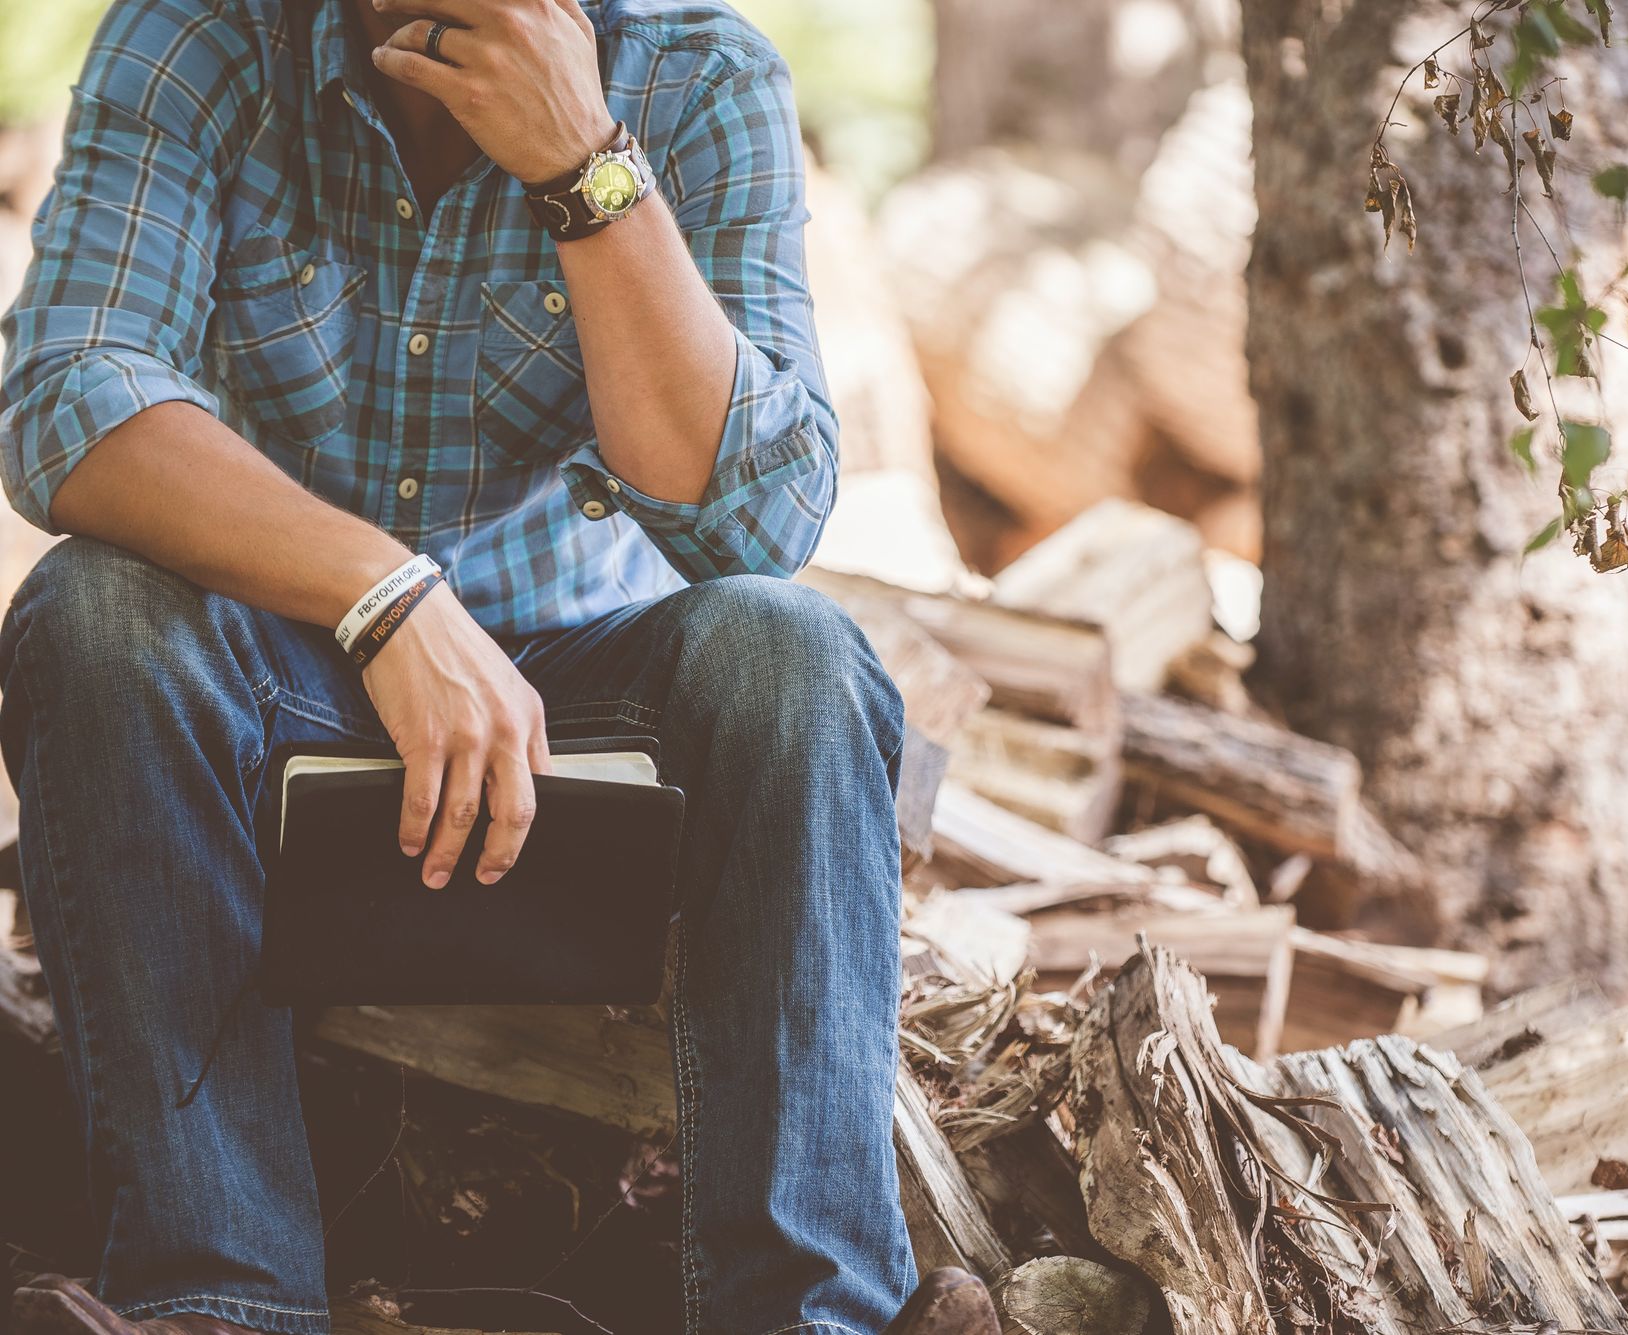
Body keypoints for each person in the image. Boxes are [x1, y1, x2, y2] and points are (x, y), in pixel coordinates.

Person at [0, 0, 997, 1332]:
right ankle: (221, 1300)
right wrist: (386, 597)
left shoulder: (702, 72)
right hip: (269, 699)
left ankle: (811, 1315)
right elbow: (69, 395)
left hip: (581, 729)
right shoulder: (198, 39)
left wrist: (585, 169)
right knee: (94, 610)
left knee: (793, 656)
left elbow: (759, 522)